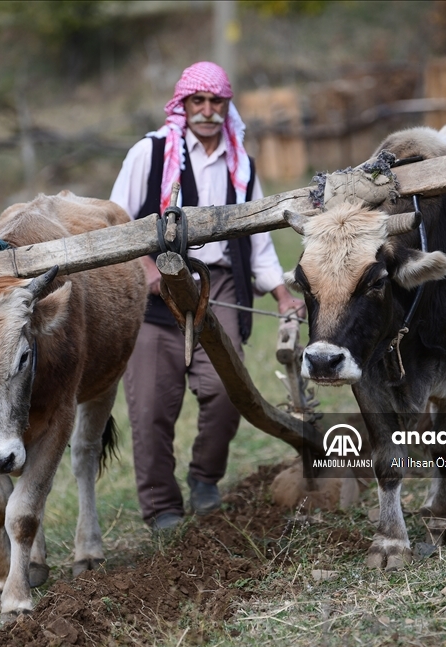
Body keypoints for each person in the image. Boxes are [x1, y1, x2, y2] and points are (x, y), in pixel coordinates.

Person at [110, 61, 304, 531]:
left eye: (216, 102)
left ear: (226, 106)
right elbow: (115, 223)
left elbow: (257, 242)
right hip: (155, 295)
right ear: (183, 104)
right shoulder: (150, 154)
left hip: (219, 287)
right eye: (198, 101)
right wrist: (148, 269)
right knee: (152, 406)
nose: (207, 111)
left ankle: (204, 480)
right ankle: (161, 508)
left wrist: (281, 294)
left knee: (225, 393)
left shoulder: (242, 162)